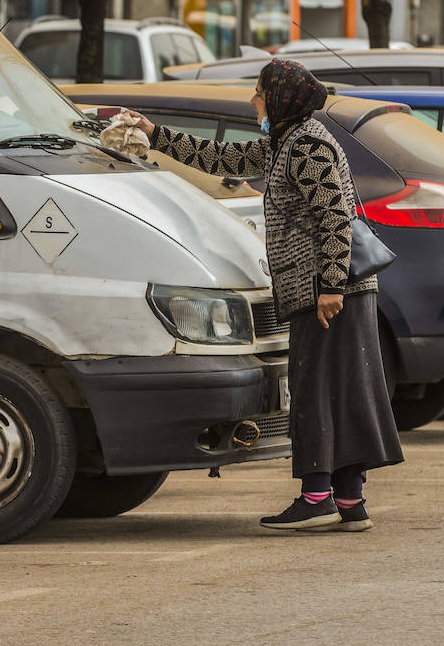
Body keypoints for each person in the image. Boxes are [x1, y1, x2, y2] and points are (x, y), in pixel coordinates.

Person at [124, 59, 402, 532]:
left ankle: (317, 498)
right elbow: (221, 159)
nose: (253, 101)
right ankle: (349, 502)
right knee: (340, 390)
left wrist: (331, 286)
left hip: (330, 292)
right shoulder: (284, 143)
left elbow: (334, 217)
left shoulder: (307, 145)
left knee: (318, 391)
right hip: (322, 290)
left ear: (280, 99)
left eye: (258, 93)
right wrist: (155, 134)